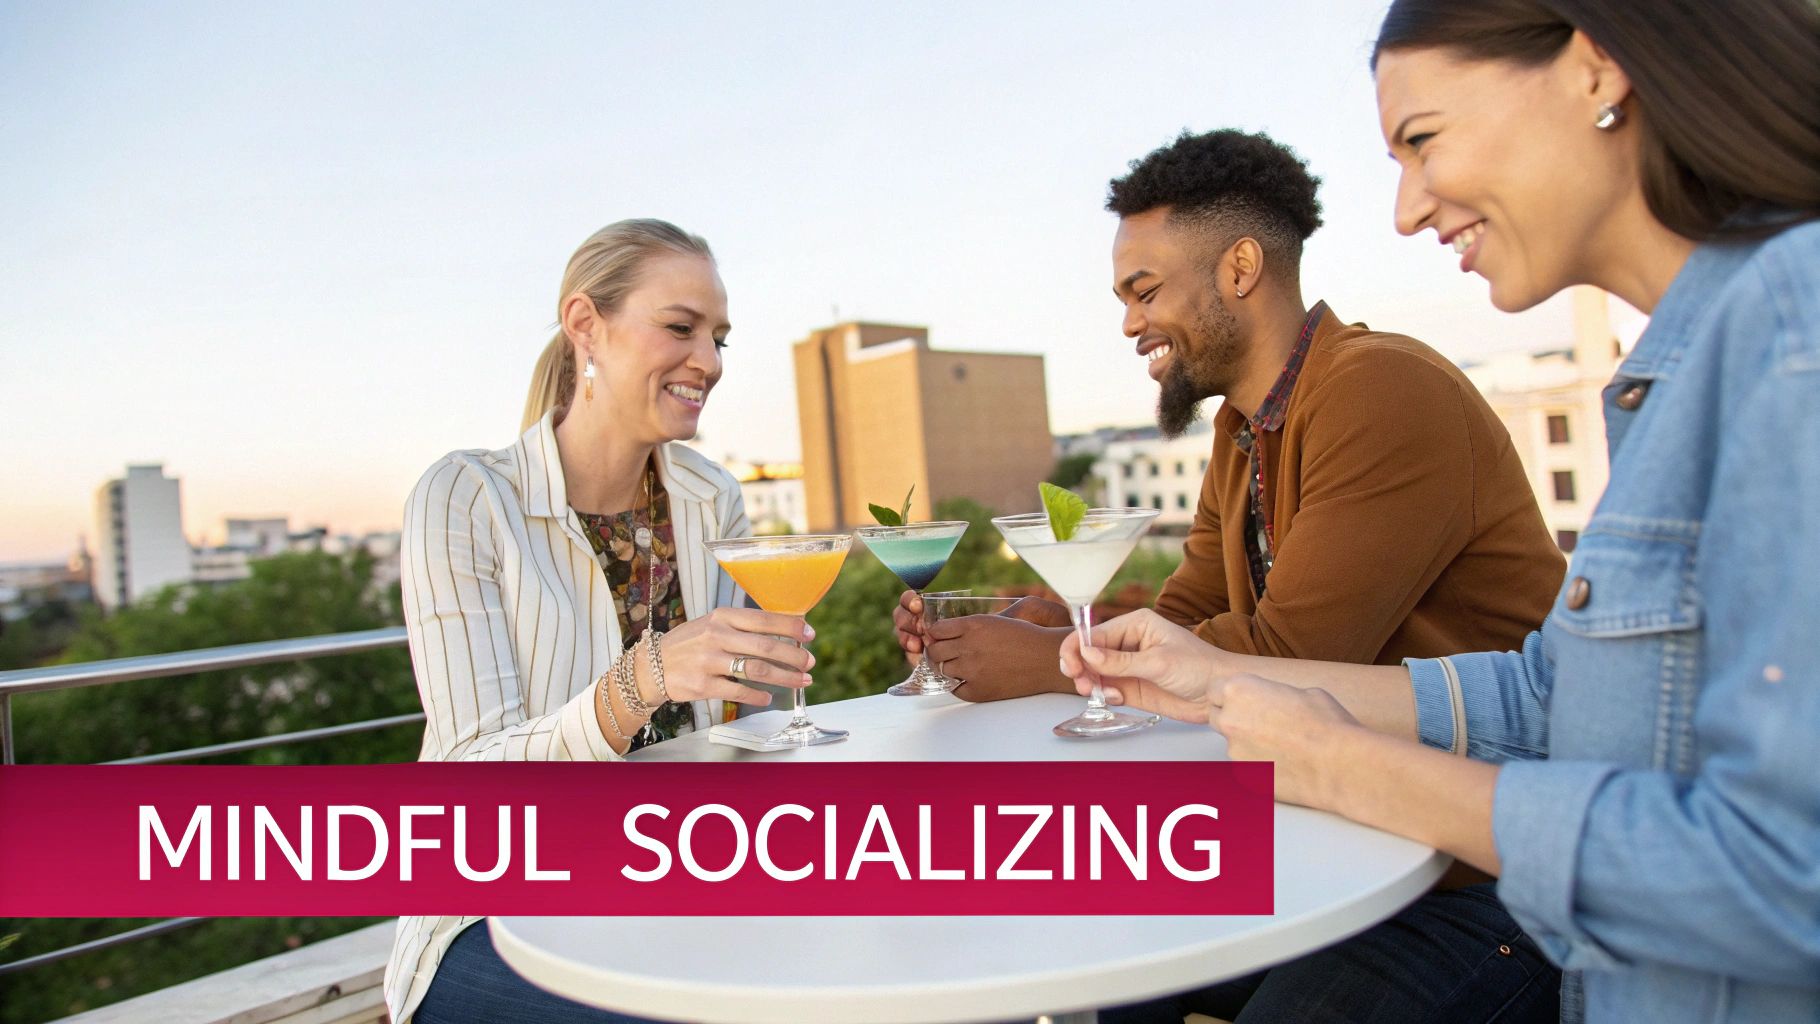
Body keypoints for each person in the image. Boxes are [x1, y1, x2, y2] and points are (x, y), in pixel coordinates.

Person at [1069, 2, 1820, 1021]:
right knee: (1097, 945)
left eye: (1420, 141)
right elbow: (1554, 696)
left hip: (1489, 897)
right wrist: (1215, 672)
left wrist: (1347, 767)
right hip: (1566, 931)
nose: (1404, 211)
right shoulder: (1674, 373)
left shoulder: (1790, 331)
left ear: (1596, 72)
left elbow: (1787, 872)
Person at [897, 129, 1563, 699]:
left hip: (1503, 806)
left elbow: (1297, 655)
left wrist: (1056, 663)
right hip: (1369, 792)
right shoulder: (1241, 429)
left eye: (1147, 291)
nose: (1131, 324)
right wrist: (1062, 625)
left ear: (1239, 268)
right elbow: (1190, 617)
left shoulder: (1383, 389)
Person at [384, 219, 820, 1023]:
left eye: (720, 337)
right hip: (494, 908)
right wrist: (644, 679)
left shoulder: (709, 495)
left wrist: (761, 685)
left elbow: (725, 730)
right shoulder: (466, 498)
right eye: (681, 328)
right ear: (586, 325)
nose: (711, 362)